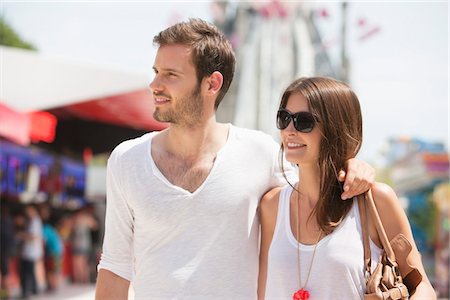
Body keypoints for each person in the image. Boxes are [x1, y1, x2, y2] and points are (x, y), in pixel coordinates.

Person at [95, 19, 375, 299]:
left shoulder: (260, 153)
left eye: (171, 74)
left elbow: (313, 191)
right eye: (156, 71)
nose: (154, 84)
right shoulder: (127, 159)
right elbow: (115, 266)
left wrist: (352, 166)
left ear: (212, 84)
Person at [257, 77, 436, 299]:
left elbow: (423, 287)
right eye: (284, 118)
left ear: (335, 127)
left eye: (304, 122)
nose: (289, 130)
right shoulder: (272, 206)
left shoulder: (377, 200)